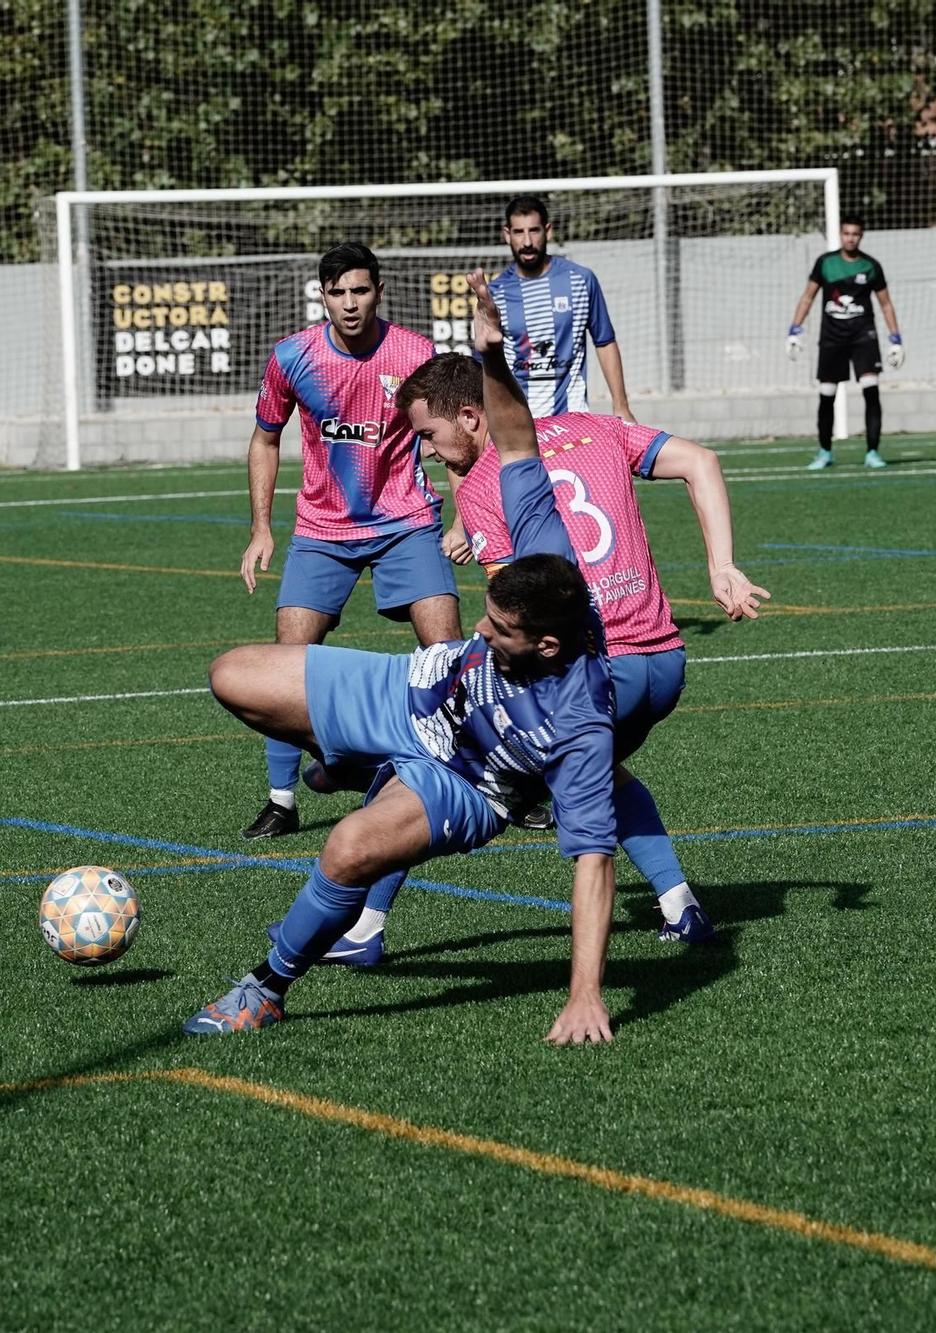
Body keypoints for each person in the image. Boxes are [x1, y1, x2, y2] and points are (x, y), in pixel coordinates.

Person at [187, 269, 626, 1045]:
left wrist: (585, 993)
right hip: (405, 690)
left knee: (348, 848)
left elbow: (592, 864)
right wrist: (492, 356)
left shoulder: (581, 721)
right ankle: (360, 763)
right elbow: (518, 437)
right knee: (233, 673)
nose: (480, 637)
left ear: (549, 646)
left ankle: (267, 984)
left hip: (461, 781)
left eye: (498, 634)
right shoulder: (547, 558)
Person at [282, 353, 767, 968]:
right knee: (603, 771)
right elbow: (701, 461)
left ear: (471, 416)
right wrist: (722, 566)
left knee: (431, 767)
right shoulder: (595, 428)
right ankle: (680, 906)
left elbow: (517, 617)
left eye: (428, 435)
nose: (427, 452)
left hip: (592, 673)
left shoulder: (492, 484)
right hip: (663, 663)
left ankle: (364, 925)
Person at [236, 241, 462, 839]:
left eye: (360, 290)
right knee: (287, 664)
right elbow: (265, 439)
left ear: (379, 292)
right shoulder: (292, 357)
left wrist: (467, 518)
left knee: (447, 650)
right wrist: (262, 527)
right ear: (323, 296)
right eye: (338, 292)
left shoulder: (415, 353)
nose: (350, 303)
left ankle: (476, 771)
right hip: (321, 530)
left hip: (406, 520)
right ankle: (282, 801)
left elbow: (452, 440)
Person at [489, 195, 634, 420]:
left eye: (534, 230)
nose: (527, 242)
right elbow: (484, 365)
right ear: (507, 234)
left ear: (548, 231)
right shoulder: (495, 293)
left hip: (572, 418)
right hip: (518, 425)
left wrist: (621, 406)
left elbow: (604, 342)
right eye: (519, 232)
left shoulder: (580, 280)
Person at [788, 216, 904, 470]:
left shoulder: (871, 266)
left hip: (864, 336)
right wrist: (794, 330)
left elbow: (885, 303)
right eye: (847, 233)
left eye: (855, 234)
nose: (851, 238)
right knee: (827, 394)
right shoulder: (825, 263)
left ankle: (873, 452)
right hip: (832, 338)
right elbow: (808, 297)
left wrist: (895, 338)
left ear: (861, 236)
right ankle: (824, 452)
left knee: (870, 390)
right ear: (841, 235)